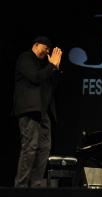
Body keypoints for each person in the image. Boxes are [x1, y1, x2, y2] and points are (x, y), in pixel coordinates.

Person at [12, 36, 63, 188]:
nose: (47, 51)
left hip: (43, 112)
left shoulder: (45, 65)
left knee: (44, 148)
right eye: (45, 47)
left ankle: (35, 185)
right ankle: (20, 186)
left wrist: (56, 68)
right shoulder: (26, 58)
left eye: (49, 49)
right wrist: (50, 66)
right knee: (30, 147)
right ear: (35, 45)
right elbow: (35, 77)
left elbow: (53, 85)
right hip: (30, 110)